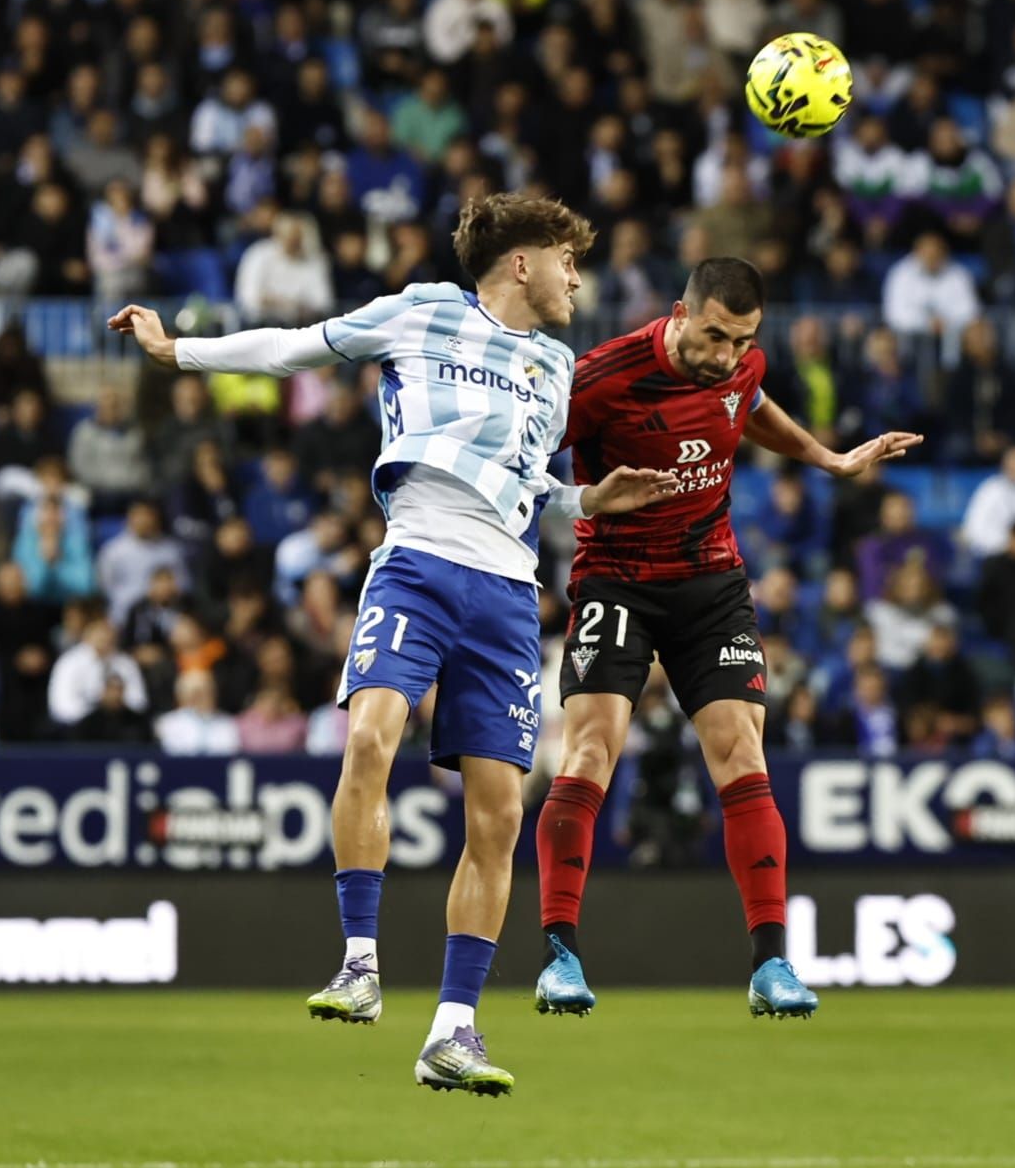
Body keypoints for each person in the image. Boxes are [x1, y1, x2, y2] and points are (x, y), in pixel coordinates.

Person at [107, 193, 677, 1096]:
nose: (578, 277)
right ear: (521, 263)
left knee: (498, 812)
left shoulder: (556, 364)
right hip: (415, 563)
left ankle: (455, 1030)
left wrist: (589, 501)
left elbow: (534, 484)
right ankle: (360, 963)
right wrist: (178, 349)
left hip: (506, 595)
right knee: (370, 738)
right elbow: (293, 344)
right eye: (567, 260)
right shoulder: (421, 311)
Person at [534, 257, 922, 1020]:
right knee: (590, 751)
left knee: (743, 754)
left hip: (711, 581)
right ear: (679, 311)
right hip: (617, 576)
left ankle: (771, 964)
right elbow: (517, 460)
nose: (723, 356)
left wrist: (826, 458)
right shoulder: (601, 377)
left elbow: (754, 400)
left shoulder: (741, 367)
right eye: (712, 336)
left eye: (739, 341)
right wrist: (582, 496)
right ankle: (559, 954)